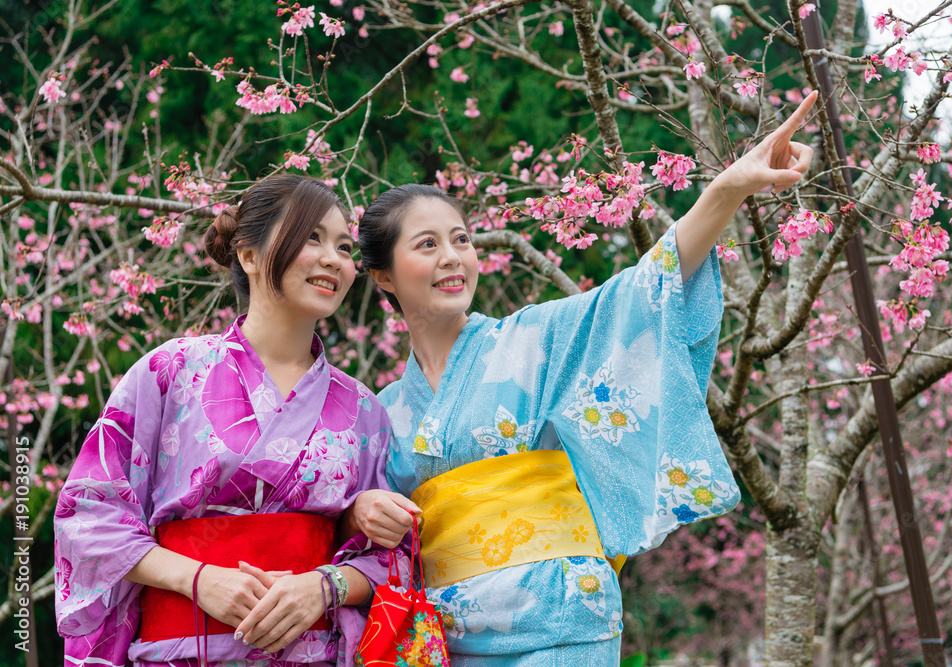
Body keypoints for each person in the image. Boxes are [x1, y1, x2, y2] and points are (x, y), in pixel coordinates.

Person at [356, 93, 819, 664]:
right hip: (447, 637)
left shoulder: (534, 338)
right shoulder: (384, 409)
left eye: (462, 239)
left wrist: (728, 189)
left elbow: (645, 290)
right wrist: (366, 510)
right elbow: (366, 532)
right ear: (382, 276)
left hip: (558, 618)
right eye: (428, 245)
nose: (454, 257)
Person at [54, 174, 420, 667]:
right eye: (311, 238)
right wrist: (198, 578)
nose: (334, 259)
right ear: (248, 256)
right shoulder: (171, 371)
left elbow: (394, 558)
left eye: (343, 246)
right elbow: (88, 514)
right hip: (181, 651)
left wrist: (325, 585)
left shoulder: (364, 408)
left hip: (314, 654)